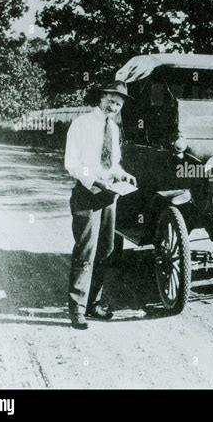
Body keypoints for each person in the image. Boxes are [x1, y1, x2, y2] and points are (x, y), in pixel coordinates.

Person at [64, 81, 136, 330]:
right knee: (85, 252)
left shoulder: (113, 129)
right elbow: (72, 163)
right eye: (111, 100)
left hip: (109, 195)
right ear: (101, 97)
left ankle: (93, 304)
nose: (114, 106)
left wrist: (123, 174)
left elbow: (112, 163)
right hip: (87, 194)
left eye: (119, 103)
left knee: (106, 250)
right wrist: (94, 181)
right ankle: (77, 310)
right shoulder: (81, 124)